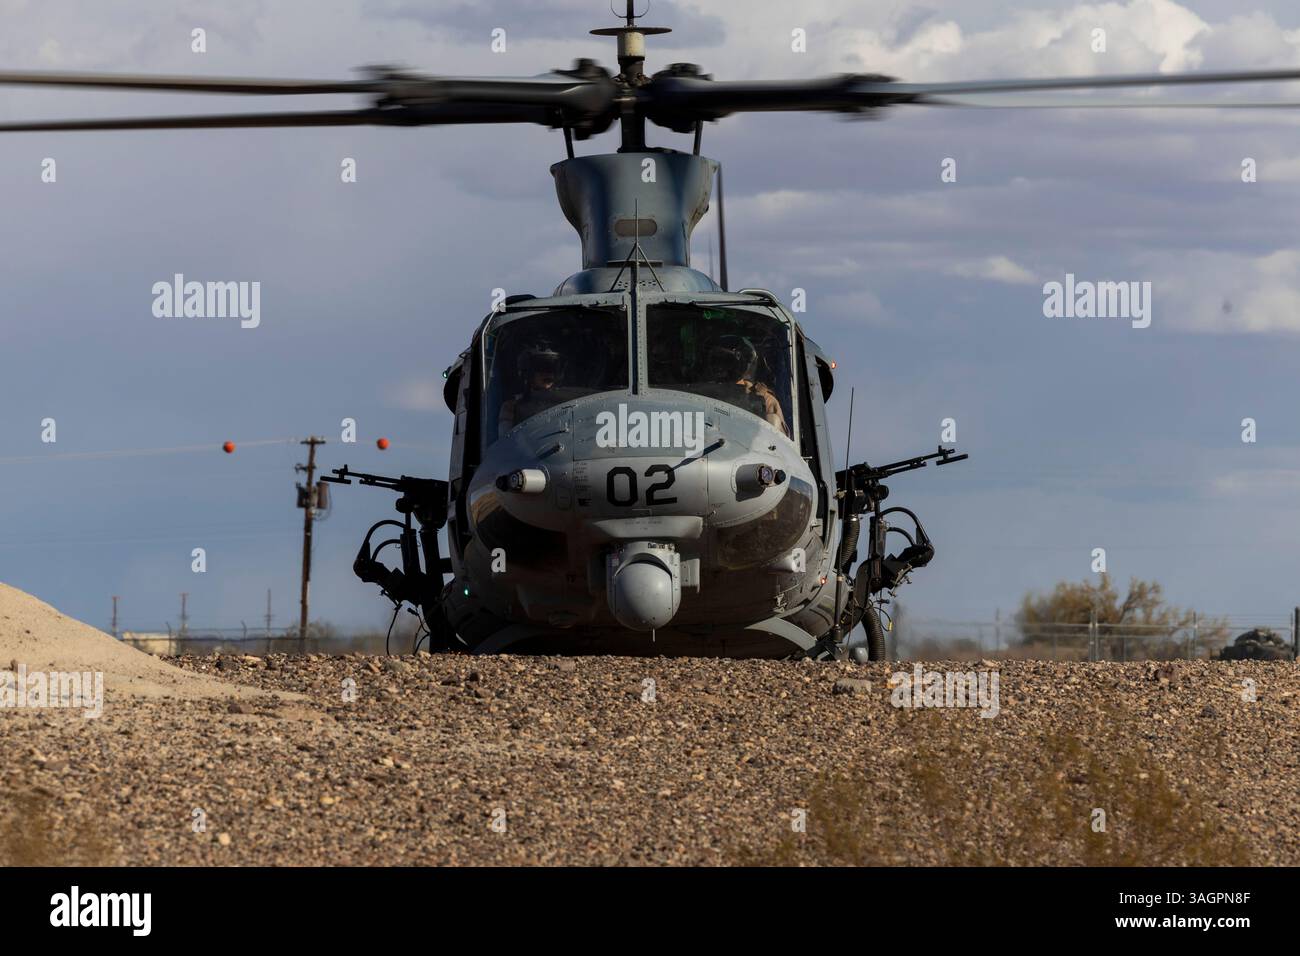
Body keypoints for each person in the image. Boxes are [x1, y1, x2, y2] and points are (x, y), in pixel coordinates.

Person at [706, 336, 788, 436]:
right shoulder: (699, 391)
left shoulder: (765, 399)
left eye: (725, 360)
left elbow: (779, 444)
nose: (719, 366)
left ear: (743, 363)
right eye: (715, 359)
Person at [498, 342, 563, 433]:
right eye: (541, 367)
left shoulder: (566, 401)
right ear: (527, 373)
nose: (548, 373)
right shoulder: (511, 407)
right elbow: (505, 440)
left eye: (552, 368)